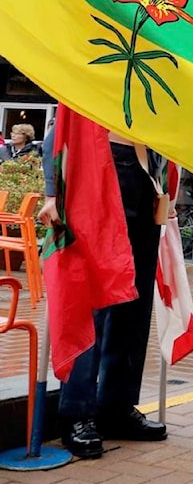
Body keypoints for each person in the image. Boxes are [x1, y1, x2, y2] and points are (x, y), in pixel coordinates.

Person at [40, 122, 167, 459]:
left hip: (146, 172)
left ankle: (116, 406)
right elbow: (62, 125)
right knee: (93, 302)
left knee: (133, 304)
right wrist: (53, 192)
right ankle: (76, 412)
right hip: (102, 167)